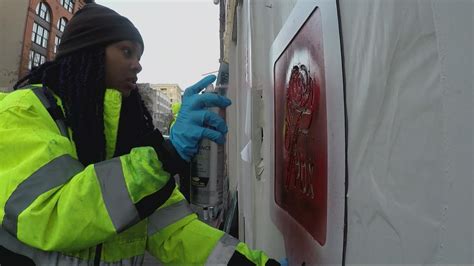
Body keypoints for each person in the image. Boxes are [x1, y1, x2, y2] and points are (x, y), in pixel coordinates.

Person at [0, 3, 279, 265]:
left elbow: (174, 230)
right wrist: (164, 158)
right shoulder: (24, 111)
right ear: (91, 52)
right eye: (126, 51)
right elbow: (50, 214)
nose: (138, 64)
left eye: (139, 56)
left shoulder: (125, 132)